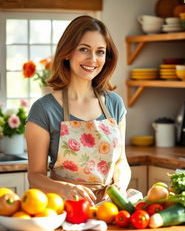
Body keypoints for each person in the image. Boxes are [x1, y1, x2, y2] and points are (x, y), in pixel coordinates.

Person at [25, 15, 131, 205]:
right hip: (62, 208)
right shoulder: (44, 109)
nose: (92, 59)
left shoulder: (115, 104)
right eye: (84, 49)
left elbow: (121, 161)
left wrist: (120, 185)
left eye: (100, 52)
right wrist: (66, 189)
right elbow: (35, 176)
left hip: (108, 208)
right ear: (67, 53)